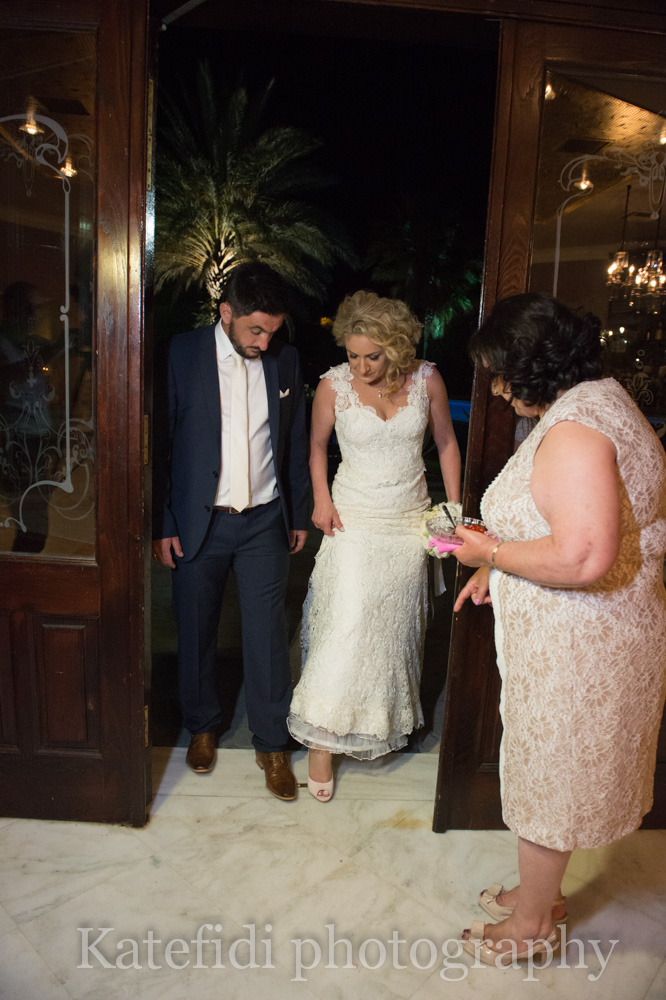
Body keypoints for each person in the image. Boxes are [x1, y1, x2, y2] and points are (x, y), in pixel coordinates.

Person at [452, 293, 666, 967]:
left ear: (532, 367)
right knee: (561, 774)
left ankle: (531, 927)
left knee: (550, 778)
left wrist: (488, 551)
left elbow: (581, 556)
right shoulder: (603, 399)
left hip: (578, 645)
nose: (496, 388)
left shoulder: (574, 431)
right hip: (595, 634)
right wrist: (499, 569)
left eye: (500, 373)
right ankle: (538, 895)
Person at [288, 290, 461, 801]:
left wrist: (454, 508)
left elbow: (446, 442)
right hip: (353, 519)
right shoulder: (332, 386)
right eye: (353, 355)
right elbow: (316, 446)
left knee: (393, 629)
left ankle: (374, 722)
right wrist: (321, 499)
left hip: (408, 521)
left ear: (398, 348)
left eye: (373, 356)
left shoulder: (427, 378)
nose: (361, 367)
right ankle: (322, 739)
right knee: (346, 623)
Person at [152, 261, 309, 799]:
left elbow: (293, 441)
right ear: (226, 313)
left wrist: (298, 514)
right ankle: (202, 727)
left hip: (265, 521)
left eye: (273, 331)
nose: (264, 342)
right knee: (196, 628)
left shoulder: (286, 359)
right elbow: (161, 443)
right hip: (199, 520)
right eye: (255, 330)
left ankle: (272, 743)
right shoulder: (181, 353)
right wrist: (164, 521)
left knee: (267, 635)